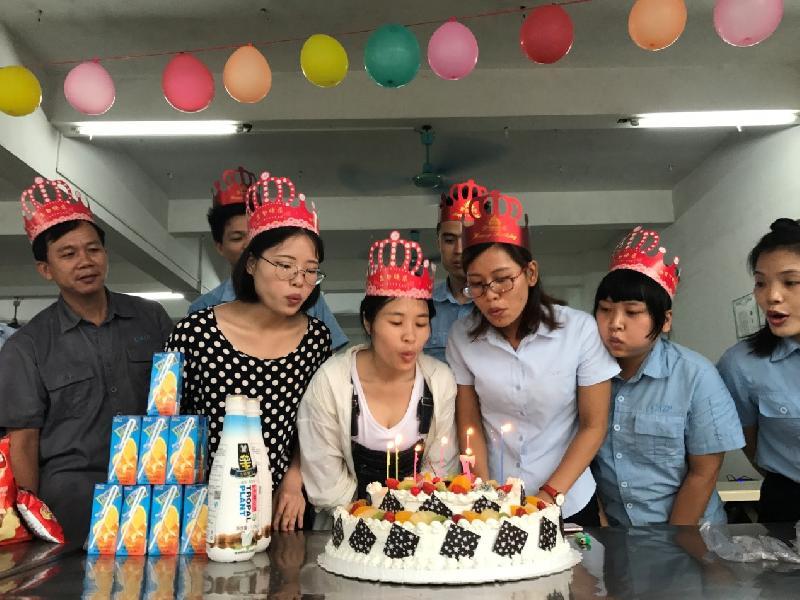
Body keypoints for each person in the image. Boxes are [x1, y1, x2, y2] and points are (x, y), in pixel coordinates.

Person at [0, 177, 172, 543]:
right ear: (45, 269)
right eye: (68, 254)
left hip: (155, 495)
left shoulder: (151, 318)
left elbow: (179, 402)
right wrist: (32, 521)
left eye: (93, 249)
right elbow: (23, 442)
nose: (85, 261)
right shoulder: (27, 346)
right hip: (73, 505)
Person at [166, 172, 332, 532]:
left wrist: (295, 479)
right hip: (202, 506)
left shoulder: (315, 339)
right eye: (285, 266)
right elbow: (170, 422)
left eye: (310, 271)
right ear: (252, 263)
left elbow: (314, 423)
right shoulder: (195, 333)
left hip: (283, 507)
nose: (298, 281)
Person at [446, 190, 619, 525]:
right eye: (477, 285)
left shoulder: (578, 330)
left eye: (503, 280)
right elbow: (470, 424)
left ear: (530, 273)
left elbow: (593, 426)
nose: (491, 296)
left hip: (568, 498)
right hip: (497, 499)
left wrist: (549, 496)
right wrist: (484, 493)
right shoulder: (462, 337)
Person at [297, 230, 458, 517]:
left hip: (420, 523)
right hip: (344, 524)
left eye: (421, 324)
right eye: (396, 322)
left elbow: (440, 468)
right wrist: (376, 524)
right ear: (368, 322)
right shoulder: (332, 382)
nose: (410, 336)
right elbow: (325, 482)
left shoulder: (439, 381)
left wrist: (410, 521)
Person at [591, 226, 744, 526]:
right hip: (615, 533)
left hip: (689, 535)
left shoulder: (696, 376)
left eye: (632, 312)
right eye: (605, 310)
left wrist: (672, 542)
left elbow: (704, 473)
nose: (615, 323)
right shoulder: (588, 375)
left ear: (665, 320)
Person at [188, 167, 348, 351]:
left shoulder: (310, 306)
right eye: (237, 238)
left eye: (310, 270)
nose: (248, 245)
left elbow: (331, 359)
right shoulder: (201, 312)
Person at [718, 218, 800, 523]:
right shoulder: (741, 364)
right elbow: (750, 443)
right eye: (761, 282)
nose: (771, 296)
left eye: (790, 282)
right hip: (789, 502)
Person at [423, 180, 484, 363]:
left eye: (468, 239)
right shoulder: (422, 306)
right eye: (449, 240)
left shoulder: (502, 305)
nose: (459, 250)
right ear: (439, 243)